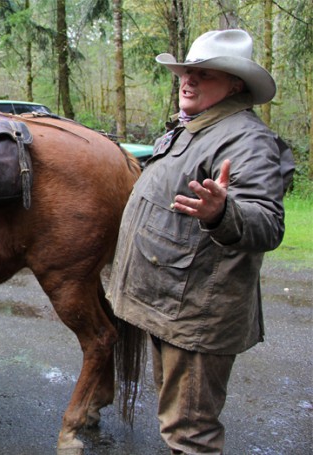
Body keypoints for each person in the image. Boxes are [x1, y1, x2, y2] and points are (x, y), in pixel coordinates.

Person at [107, 29, 295, 454]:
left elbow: (267, 224)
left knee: (190, 433)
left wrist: (222, 213)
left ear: (235, 86)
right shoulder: (193, 128)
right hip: (168, 305)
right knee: (175, 419)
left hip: (196, 314)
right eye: (185, 73)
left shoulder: (247, 140)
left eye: (204, 75)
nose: (187, 81)